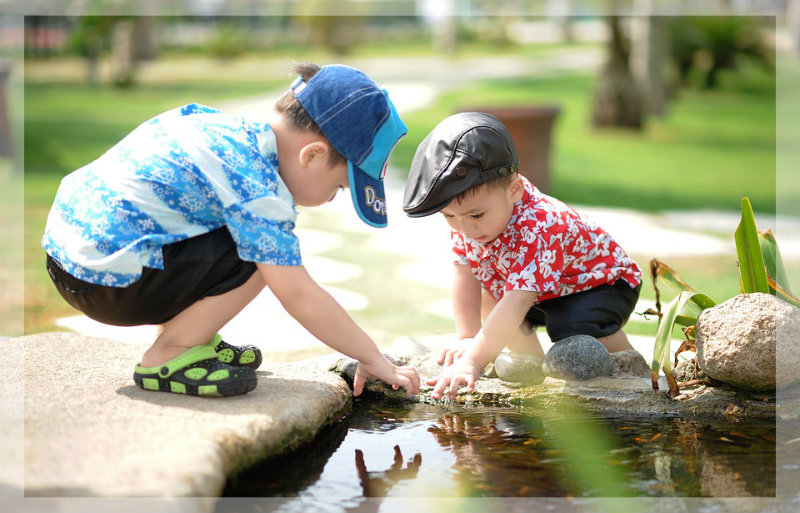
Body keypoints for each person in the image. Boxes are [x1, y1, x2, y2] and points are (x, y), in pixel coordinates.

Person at [42, 63, 420, 398]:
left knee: (251, 238)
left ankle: (194, 337)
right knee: (265, 256)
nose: (329, 199)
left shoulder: (224, 129)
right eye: (339, 188)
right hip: (105, 282)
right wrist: (370, 356)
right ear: (313, 155)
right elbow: (298, 295)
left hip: (70, 257)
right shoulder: (257, 186)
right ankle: (169, 354)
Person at [402, 112, 641, 400]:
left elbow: (518, 300)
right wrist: (468, 336)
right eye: (449, 216)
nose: (465, 227)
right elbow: (464, 272)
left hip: (601, 284)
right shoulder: (469, 221)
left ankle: (631, 370)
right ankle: (533, 371)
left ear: (514, 190)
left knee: (571, 326)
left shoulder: (541, 225)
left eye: (476, 214)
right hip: (543, 290)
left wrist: (472, 362)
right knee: (491, 296)